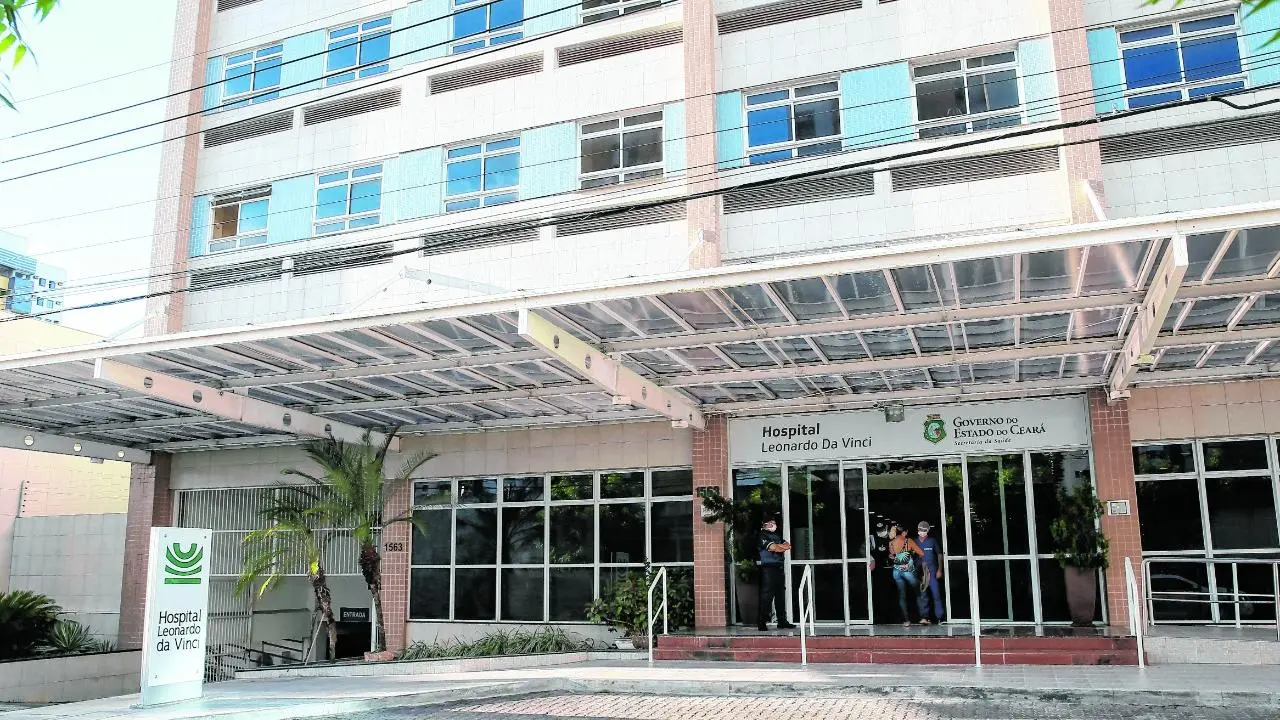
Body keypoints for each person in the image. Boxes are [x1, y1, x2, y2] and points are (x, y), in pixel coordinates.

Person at [757, 514, 795, 631]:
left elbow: (788, 546)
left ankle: (782, 621)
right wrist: (779, 547)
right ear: (765, 525)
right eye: (770, 523)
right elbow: (774, 548)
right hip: (768, 569)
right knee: (767, 596)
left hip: (779, 568)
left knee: (780, 595)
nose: (773, 524)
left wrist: (779, 546)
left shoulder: (776, 535)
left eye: (774, 522)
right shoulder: (762, 535)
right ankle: (762, 622)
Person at [886, 524, 925, 627]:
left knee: (902, 595)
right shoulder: (908, 541)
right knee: (918, 592)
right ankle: (922, 618)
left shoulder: (891, 543)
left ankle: (906, 620)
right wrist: (913, 559)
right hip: (908, 570)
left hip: (896, 571)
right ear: (905, 532)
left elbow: (892, 555)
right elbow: (921, 553)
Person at [915, 521, 944, 625]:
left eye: (924, 530)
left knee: (936, 594)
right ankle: (924, 617)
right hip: (921, 572)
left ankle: (940, 617)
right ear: (918, 530)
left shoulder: (932, 541)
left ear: (928, 531)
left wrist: (940, 569)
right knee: (923, 596)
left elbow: (939, 554)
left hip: (932, 571)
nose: (922, 532)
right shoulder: (915, 542)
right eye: (920, 530)